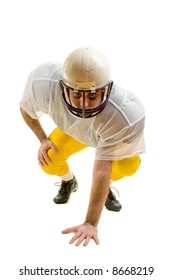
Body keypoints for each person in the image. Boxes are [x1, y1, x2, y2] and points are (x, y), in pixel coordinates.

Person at [19, 47, 145, 246]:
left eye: (92, 95)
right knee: (48, 161)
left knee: (130, 165)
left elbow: (102, 168)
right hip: (73, 132)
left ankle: (105, 190)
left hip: (109, 135)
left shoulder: (126, 113)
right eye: (77, 94)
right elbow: (27, 110)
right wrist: (43, 140)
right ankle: (69, 181)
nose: (84, 104)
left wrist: (90, 223)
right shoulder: (43, 83)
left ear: (106, 89)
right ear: (62, 87)